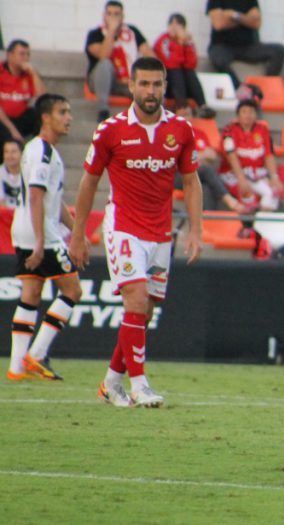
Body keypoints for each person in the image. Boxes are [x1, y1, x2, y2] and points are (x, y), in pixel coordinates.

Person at [70, 57, 204, 408]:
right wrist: (78, 234)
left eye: (157, 84)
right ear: (130, 86)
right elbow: (88, 182)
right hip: (123, 226)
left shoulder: (181, 130)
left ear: (164, 87)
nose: (150, 91)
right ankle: (139, 385)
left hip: (161, 234)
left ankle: (111, 382)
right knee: (137, 300)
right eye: (143, 84)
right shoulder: (110, 130)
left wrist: (196, 230)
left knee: (143, 312)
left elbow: (191, 181)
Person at [7, 94, 82, 381]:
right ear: (46, 117)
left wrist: (76, 230)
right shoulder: (44, 153)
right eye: (63, 112)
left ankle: (16, 367)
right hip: (41, 234)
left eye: (70, 112)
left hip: (23, 229)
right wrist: (41, 243)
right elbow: (37, 196)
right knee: (73, 290)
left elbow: (53, 199)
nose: (69, 117)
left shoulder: (37, 149)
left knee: (31, 295)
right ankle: (36, 355)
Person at [85, 1, 154, 123]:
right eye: (109, 14)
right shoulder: (95, 34)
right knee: (105, 64)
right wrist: (111, 30)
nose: (112, 17)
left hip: (127, 82)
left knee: (152, 77)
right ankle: (103, 111)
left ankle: (153, 117)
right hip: (102, 82)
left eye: (116, 14)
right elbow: (103, 55)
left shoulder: (132, 31)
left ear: (122, 17)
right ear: (104, 16)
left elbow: (150, 55)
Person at [218, 99, 284, 211]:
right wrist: (241, 178)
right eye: (244, 112)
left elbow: (269, 155)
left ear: (256, 115)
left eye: (251, 112)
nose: (248, 115)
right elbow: (231, 156)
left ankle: (262, 221)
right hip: (234, 173)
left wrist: (274, 177)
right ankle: (249, 224)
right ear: (238, 115)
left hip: (256, 173)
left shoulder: (263, 130)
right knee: (248, 197)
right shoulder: (229, 130)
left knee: (273, 192)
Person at [206, 0, 284, 88]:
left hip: (248, 47)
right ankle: (239, 88)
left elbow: (256, 23)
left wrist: (233, 15)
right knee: (218, 60)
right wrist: (246, 18)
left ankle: (265, 87)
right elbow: (218, 24)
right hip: (222, 46)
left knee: (279, 50)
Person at [175, 106, 242, 212]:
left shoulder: (199, 133)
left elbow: (212, 155)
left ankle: (208, 221)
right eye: (182, 115)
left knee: (205, 187)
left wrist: (194, 158)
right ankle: (229, 200)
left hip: (198, 174)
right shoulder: (171, 135)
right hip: (179, 176)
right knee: (206, 170)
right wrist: (201, 156)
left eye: (188, 114)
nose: (186, 118)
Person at [154, 14, 215, 119]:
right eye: (171, 23)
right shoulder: (164, 40)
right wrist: (179, 44)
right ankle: (181, 105)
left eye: (178, 24)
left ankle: (203, 106)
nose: (174, 27)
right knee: (175, 71)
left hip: (183, 82)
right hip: (167, 82)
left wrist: (186, 44)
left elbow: (191, 64)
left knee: (189, 72)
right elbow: (170, 63)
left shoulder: (188, 42)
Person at [0, 40, 46, 145]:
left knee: (41, 115)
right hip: (3, 119)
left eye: (28, 54)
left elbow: (43, 99)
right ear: (10, 55)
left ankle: (38, 148)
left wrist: (34, 73)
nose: (25, 58)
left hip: (20, 117)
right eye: (21, 54)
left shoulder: (29, 73)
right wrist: (13, 130)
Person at [1, 141, 24, 208]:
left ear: (21, 153)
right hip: (5, 215)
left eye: (13, 152)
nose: (9, 156)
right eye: (6, 152)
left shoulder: (28, 172)